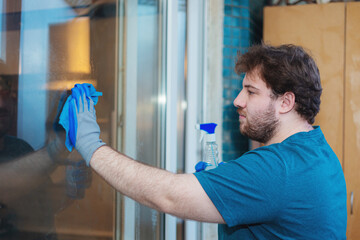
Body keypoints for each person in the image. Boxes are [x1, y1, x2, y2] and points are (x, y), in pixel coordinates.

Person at [71, 43, 347, 239]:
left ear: (286, 102)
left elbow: (168, 196)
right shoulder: (319, 152)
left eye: (250, 92)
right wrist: (229, 185)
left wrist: (91, 144)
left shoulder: (278, 169)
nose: (237, 101)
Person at [0, 70, 91, 240]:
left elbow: (44, 203)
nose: (2, 103)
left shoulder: (19, 148)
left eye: (6, 92)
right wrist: (56, 148)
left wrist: (69, 188)